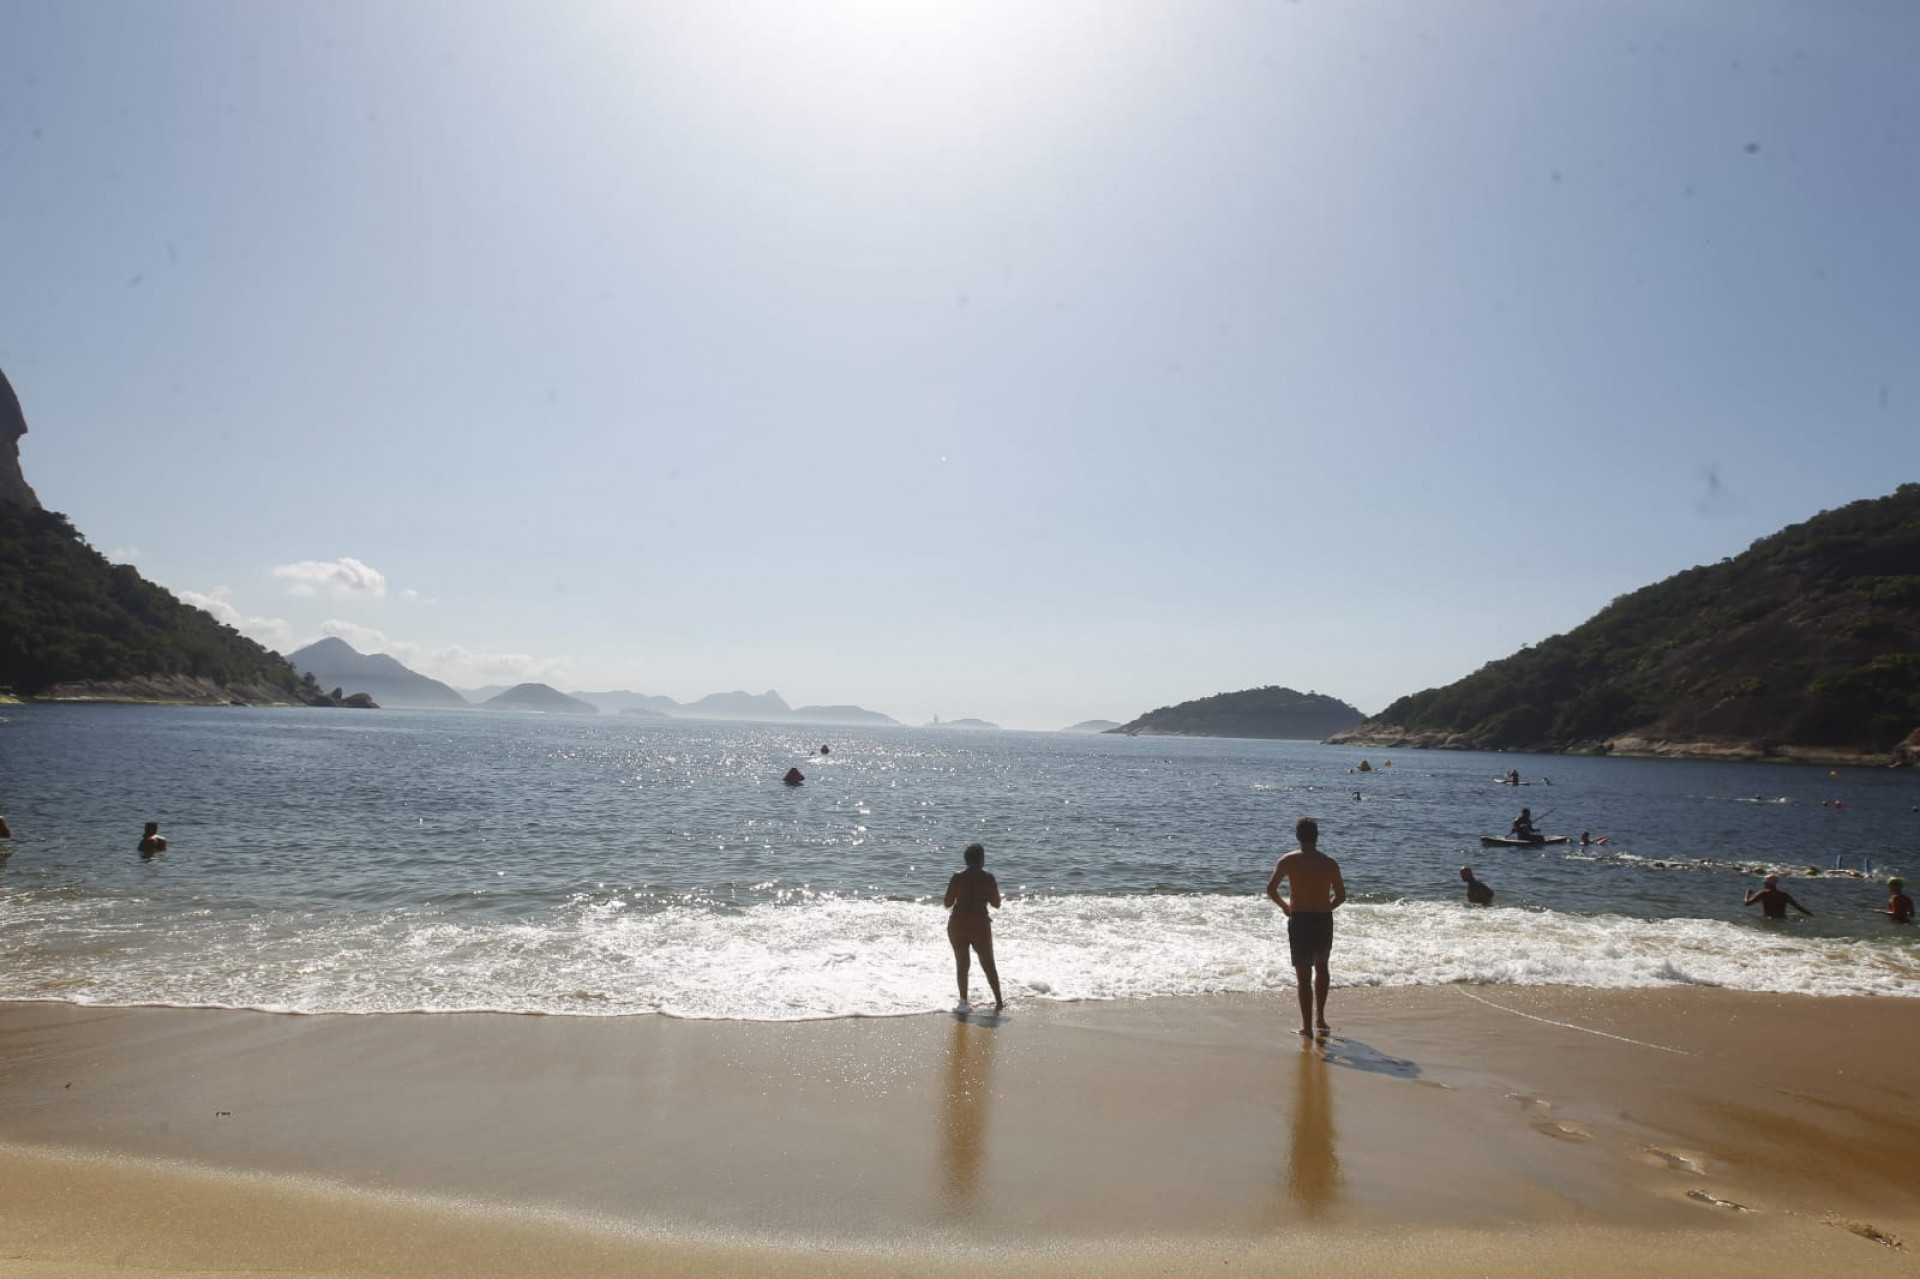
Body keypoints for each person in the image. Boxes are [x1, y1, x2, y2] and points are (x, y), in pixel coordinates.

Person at [1266, 817, 1347, 1038]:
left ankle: (1307, 1027)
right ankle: (1320, 1017)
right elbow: (1341, 896)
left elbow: (1271, 889)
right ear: (1317, 836)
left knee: (1303, 976)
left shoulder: (1288, 860)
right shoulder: (1329, 863)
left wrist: (1285, 907)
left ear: (1297, 837)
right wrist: (1326, 907)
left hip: (1300, 919)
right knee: (1322, 967)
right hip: (1323, 919)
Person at [944, 843, 1004, 1013]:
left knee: (962, 964)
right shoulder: (988, 878)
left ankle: (963, 1002)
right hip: (979, 924)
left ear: (966, 860)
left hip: (957, 924)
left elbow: (947, 903)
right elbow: (996, 904)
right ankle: (999, 1001)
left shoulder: (957, 877)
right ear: (981, 860)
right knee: (988, 964)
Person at [1743, 874, 1811, 919]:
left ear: (1767, 883)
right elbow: (1798, 907)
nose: (1764, 884)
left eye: (1765, 882)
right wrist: (1810, 914)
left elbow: (1746, 903)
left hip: (1769, 920)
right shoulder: (1784, 895)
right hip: (1782, 919)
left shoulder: (1763, 893)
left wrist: (1747, 894)